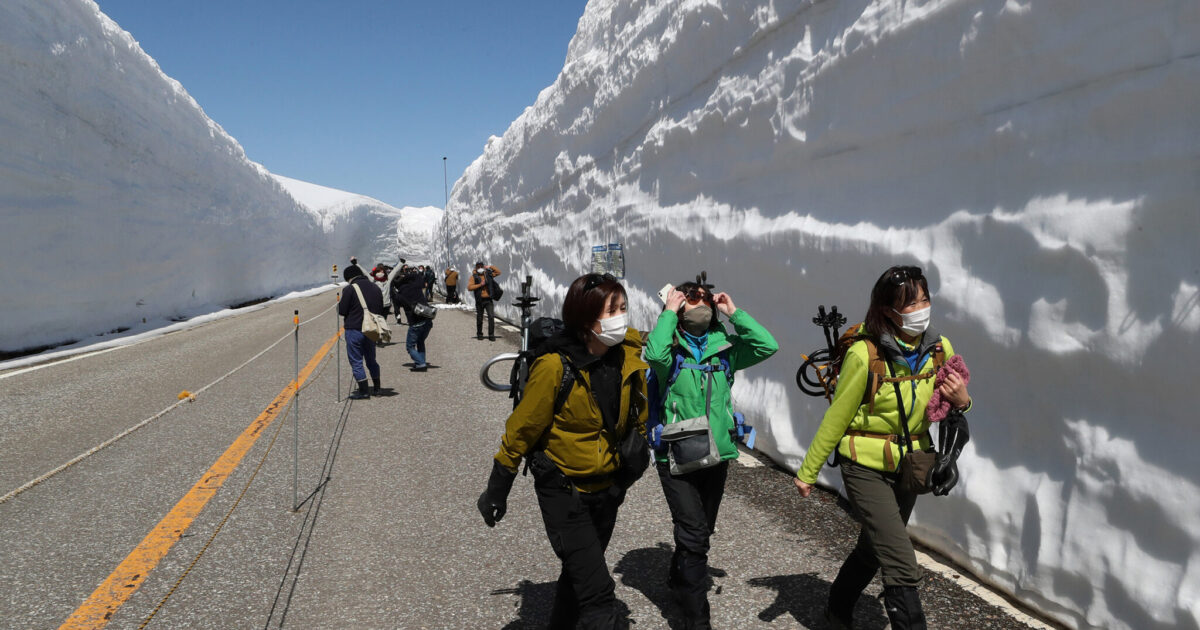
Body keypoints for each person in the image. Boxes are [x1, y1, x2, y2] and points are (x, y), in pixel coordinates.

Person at [793, 266, 972, 630]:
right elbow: (837, 417)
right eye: (911, 303)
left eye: (925, 299)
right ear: (889, 311)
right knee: (900, 561)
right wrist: (808, 470)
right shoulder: (865, 354)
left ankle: (837, 612)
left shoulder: (940, 348)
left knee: (874, 549)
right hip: (864, 463)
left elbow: (952, 406)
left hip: (912, 463)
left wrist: (964, 401)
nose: (922, 307)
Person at [477, 273, 648, 630]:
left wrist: (632, 464)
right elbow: (522, 429)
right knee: (599, 596)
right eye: (611, 309)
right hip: (563, 490)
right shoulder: (555, 366)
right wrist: (498, 488)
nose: (621, 316)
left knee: (579, 577)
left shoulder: (626, 357)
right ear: (586, 318)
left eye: (623, 307)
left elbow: (638, 416)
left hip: (608, 488)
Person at [644, 279, 778, 628]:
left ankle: (678, 580)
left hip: (716, 454)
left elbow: (767, 346)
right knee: (694, 536)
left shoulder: (726, 350)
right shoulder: (670, 351)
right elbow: (654, 354)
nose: (700, 302)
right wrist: (669, 313)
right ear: (678, 304)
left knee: (700, 530)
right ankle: (696, 619)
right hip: (675, 456)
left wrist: (735, 313)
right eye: (692, 298)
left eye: (705, 299)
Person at [337, 264, 385, 399]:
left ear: (349, 278)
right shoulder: (375, 287)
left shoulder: (350, 289)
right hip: (371, 329)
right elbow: (380, 308)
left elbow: (342, 311)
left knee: (356, 360)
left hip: (354, 329)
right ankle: (377, 388)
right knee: (371, 359)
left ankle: (364, 391)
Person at [392, 267, 434, 371]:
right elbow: (418, 276)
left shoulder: (400, 294)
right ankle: (421, 361)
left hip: (416, 323)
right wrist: (408, 276)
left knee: (410, 346)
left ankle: (420, 363)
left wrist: (392, 289)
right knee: (420, 342)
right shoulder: (416, 286)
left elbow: (396, 303)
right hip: (428, 320)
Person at [467, 261, 502, 340]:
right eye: (478, 267)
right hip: (479, 300)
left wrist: (490, 267)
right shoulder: (473, 277)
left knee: (491, 316)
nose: (480, 268)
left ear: (483, 266)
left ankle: (491, 335)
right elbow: (469, 287)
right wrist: (480, 285)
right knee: (479, 318)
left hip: (488, 300)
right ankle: (480, 334)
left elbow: (498, 272)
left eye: (481, 266)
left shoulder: (488, 275)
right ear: (476, 268)